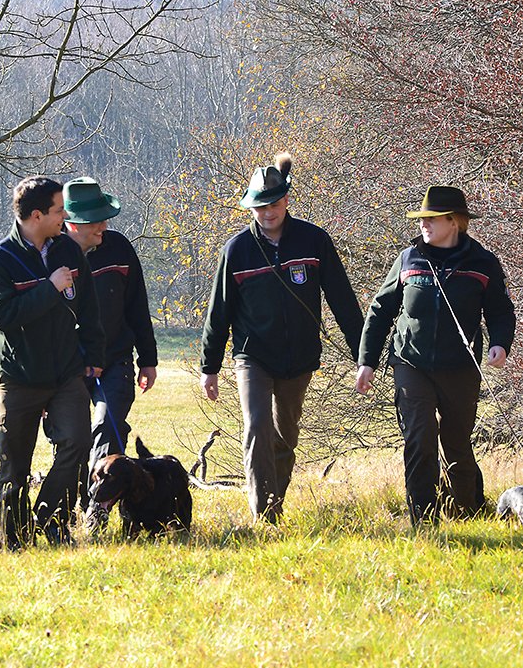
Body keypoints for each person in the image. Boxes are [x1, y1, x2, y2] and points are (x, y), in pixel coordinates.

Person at [200, 154, 364, 523]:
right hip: (252, 355)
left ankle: (275, 502)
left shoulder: (314, 241)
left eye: (273, 204)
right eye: (260, 206)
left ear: (286, 201)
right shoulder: (237, 250)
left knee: (284, 435)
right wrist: (209, 368)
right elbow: (219, 312)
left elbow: (343, 301)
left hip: (300, 357)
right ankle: (264, 516)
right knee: (257, 426)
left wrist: (364, 355)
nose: (267, 212)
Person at [355, 185, 515, 524]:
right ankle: (424, 520)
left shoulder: (483, 263)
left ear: (454, 222)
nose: (423, 225)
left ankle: (468, 512)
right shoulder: (408, 259)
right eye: (421, 219)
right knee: (419, 438)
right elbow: (380, 311)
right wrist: (367, 361)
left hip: (461, 367)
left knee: (456, 443)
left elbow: (502, 312)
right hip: (410, 362)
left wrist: (500, 343)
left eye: (431, 219)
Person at [0, 177, 105, 549]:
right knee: (14, 463)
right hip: (19, 377)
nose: (65, 217)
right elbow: (5, 316)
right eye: (58, 211)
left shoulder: (68, 249)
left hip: (67, 372)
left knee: (78, 443)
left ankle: (50, 519)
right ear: (36, 216)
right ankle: (14, 539)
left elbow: (89, 307)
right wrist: (48, 288)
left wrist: (94, 356)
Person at [62, 177, 158, 531]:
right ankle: (65, 507)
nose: (104, 225)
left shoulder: (119, 248)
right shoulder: (51, 255)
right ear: (72, 223)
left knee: (108, 427)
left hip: (115, 360)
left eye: (105, 217)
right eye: (96, 220)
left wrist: (147, 358)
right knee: (72, 438)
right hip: (67, 367)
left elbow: (137, 305)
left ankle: (96, 510)